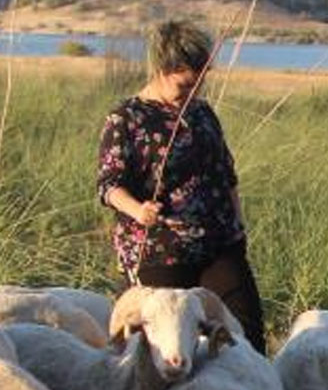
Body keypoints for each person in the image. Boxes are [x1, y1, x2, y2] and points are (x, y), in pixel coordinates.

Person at [96, 19, 267, 353]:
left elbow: (226, 173)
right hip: (160, 250)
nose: (192, 94)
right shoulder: (125, 119)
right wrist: (139, 210)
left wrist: (238, 226)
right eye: (184, 86)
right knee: (162, 350)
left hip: (220, 243)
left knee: (245, 340)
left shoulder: (203, 113)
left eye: (198, 85)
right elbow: (109, 185)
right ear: (162, 69)